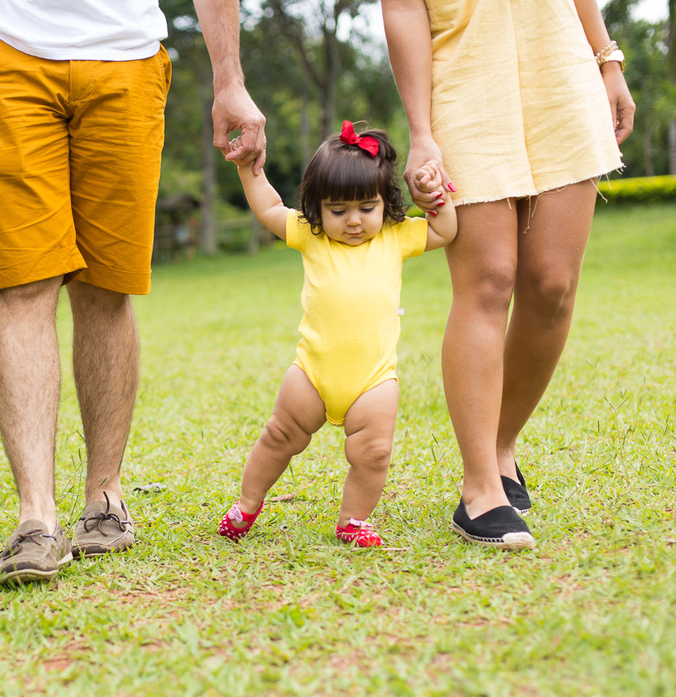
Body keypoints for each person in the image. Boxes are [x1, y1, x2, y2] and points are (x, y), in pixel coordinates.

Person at [0, 0, 267, 584]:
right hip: (5, 48)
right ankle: (36, 518)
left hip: (128, 57)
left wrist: (230, 79)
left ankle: (104, 497)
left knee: (107, 289)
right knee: (21, 285)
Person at [381, 0, 635, 549]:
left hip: (562, 72)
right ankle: (480, 490)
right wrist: (421, 132)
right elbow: (401, 8)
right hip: (464, 76)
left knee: (553, 284)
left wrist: (607, 62)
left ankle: (501, 448)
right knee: (489, 281)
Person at [216, 122, 457, 546]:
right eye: (338, 210)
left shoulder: (396, 238)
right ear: (317, 209)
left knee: (375, 454)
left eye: (367, 208)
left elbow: (444, 231)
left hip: (373, 380)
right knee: (279, 437)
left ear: (385, 204)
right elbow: (270, 208)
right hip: (312, 373)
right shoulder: (312, 238)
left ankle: (353, 520)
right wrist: (248, 170)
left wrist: (438, 196)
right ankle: (246, 505)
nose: (353, 221)